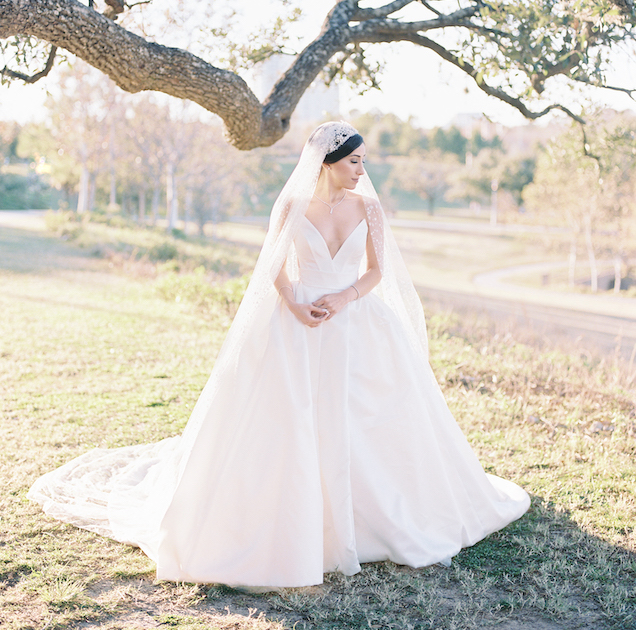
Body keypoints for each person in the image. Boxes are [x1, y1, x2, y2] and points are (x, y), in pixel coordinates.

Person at [29, 121, 530, 589]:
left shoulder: (370, 210)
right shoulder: (291, 206)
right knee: (289, 418)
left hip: (356, 321)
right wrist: (294, 300)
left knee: (371, 415)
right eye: (354, 161)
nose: (362, 170)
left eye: (362, 161)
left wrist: (345, 297)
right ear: (328, 162)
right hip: (297, 320)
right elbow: (273, 265)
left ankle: (374, 515)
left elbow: (378, 272)